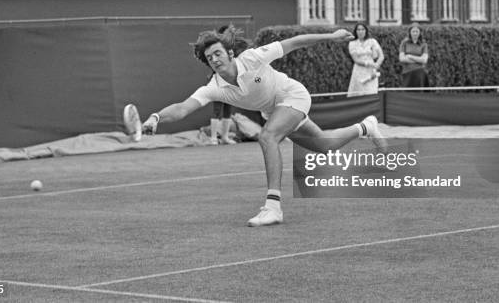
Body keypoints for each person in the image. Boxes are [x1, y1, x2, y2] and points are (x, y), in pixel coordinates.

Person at [123, 28, 387, 227]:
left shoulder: (251, 58)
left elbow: (294, 42)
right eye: (209, 57)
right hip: (275, 110)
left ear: (229, 53)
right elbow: (182, 108)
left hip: (293, 96)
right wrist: (156, 118)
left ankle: (273, 206)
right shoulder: (214, 87)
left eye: (218, 53)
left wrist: (330, 35)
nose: (214, 59)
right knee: (324, 146)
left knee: (267, 136)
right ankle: (366, 127)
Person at [347, 23, 384, 97]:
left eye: (362, 29)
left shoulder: (372, 41)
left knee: (371, 92)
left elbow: (381, 56)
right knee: (358, 94)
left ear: (366, 31)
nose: (361, 31)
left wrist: (377, 65)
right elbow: (356, 60)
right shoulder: (352, 43)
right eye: (358, 30)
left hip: (371, 71)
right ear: (356, 31)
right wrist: (369, 64)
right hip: (359, 71)